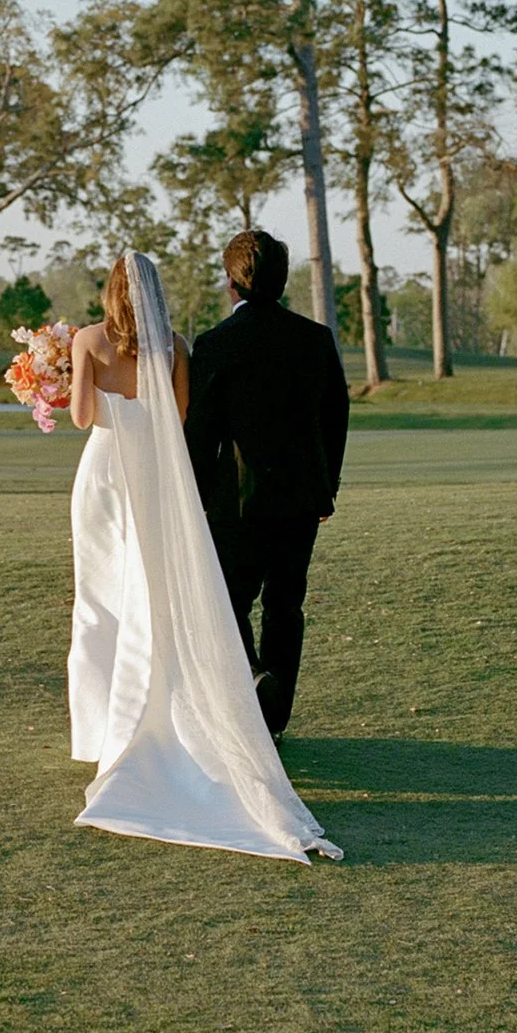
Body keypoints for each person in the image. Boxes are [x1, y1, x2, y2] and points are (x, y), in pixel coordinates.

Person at [63, 249, 341, 864]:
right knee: (210, 597)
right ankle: (245, 710)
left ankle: (103, 725)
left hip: (119, 481)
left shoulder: (94, 339)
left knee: (110, 598)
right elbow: (188, 416)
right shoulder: (187, 345)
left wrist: (67, 377)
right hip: (204, 485)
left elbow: (89, 416)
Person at [182, 229, 351, 740]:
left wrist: (192, 495)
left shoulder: (214, 344)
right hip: (301, 500)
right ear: (281, 280)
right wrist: (327, 489)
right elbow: (335, 418)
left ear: (231, 281)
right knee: (285, 605)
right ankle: (274, 720)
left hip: (235, 504)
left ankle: (254, 676)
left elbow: (201, 430)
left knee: (229, 602)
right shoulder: (315, 339)